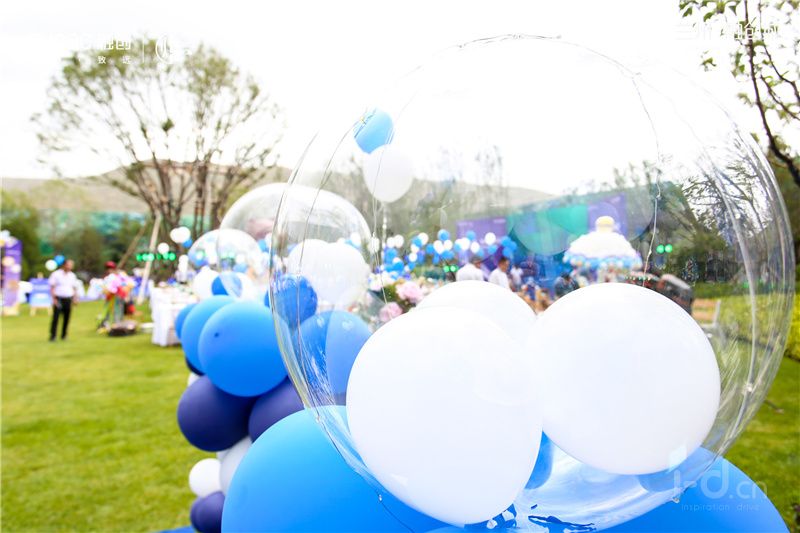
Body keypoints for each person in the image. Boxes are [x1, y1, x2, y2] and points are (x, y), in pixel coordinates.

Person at [48, 259, 79, 341]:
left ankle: (64, 335)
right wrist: (54, 299)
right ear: (64, 265)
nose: (70, 267)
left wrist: (75, 298)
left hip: (68, 298)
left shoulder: (72, 276)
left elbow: (74, 288)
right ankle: (53, 336)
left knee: (67, 318)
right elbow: (52, 287)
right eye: (68, 265)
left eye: (71, 265)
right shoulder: (56, 274)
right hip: (59, 298)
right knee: (56, 318)